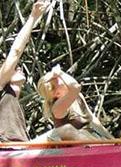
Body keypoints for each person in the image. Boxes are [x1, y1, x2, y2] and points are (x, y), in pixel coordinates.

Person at [0, 1, 93, 142]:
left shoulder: (13, 102)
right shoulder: (1, 86)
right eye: (13, 68)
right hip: (8, 150)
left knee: (76, 133)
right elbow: (16, 51)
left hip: (23, 148)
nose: (17, 67)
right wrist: (33, 16)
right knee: (66, 130)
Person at [37, 65, 114, 140]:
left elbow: (92, 120)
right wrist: (60, 73)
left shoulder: (78, 96)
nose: (62, 79)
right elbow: (76, 87)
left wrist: (111, 139)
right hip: (77, 144)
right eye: (58, 80)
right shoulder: (57, 107)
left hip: (91, 137)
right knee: (69, 129)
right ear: (56, 94)